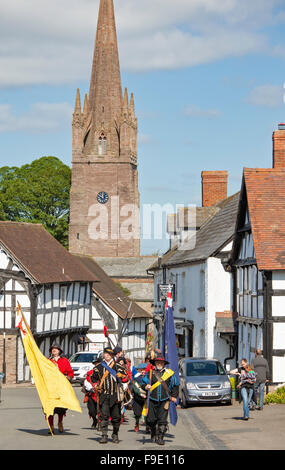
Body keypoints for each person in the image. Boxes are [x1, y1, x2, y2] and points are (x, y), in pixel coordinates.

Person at [90, 347, 127, 444]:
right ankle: (104, 435)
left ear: (112, 356)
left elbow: (126, 379)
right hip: (104, 395)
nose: (107, 355)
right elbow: (93, 379)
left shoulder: (118, 366)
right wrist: (95, 386)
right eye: (106, 354)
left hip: (115, 396)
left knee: (116, 417)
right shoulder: (98, 367)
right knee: (104, 416)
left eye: (109, 354)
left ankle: (115, 434)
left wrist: (122, 377)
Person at [142, 355, 179, 445]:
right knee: (151, 420)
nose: (159, 364)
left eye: (161, 362)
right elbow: (143, 383)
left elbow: (175, 385)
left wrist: (174, 396)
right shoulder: (150, 373)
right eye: (157, 362)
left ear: (163, 364)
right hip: (151, 399)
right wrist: (145, 387)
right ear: (154, 363)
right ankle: (153, 431)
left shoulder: (169, 374)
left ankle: (160, 438)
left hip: (164, 400)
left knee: (162, 420)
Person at [47, 344, 74, 433]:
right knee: (50, 407)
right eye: (52, 349)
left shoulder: (65, 361)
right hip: (51, 387)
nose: (54, 350)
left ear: (59, 351)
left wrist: (68, 377)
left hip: (61, 387)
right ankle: (51, 425)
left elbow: (70, 372)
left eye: (56, 349)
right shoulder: (48, 361)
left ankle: (60, 422)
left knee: (61, 407)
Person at [83, 357, 102, 430]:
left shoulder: (104, 372)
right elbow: (86, 381)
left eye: (98, 363)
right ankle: (94, 420)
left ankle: (100, 423)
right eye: (95, 364)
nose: (96, 365)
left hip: (101, 394)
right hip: (92, 394)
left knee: (101, 411)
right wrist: (91, 388)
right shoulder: (90, 372)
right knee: (92, 411)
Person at [132, 363, 147, 432]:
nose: (143, 371)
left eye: (144, 370)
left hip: (147, 397)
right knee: (137, 413)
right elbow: (135, 388)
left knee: (148, 412)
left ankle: (148, 426)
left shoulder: (149, 377)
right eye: (142, 370)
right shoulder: (136, 378)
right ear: (139, 370)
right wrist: (141, 394)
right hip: (138, 397)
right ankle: (137, 423)